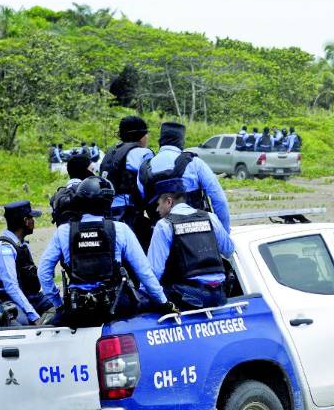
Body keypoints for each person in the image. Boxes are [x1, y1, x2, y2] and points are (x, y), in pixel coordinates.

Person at [38, 177, 168, 326]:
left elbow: (43, 273)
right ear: (108, 202)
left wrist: (59, 304)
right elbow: (144, 272)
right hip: (116, 307)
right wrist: (164, 302)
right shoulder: (120, 229)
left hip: (77, 310)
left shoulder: (63, 232)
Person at [147, 179, 235, 310]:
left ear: (169, 202)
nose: (157, 208)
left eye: (158, 203)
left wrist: (142, 294)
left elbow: (154, 272)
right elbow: (228, 250)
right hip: (219, 295)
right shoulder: (210, 217)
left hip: (187, 298)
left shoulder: (164, 225)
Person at [138, 121, 232, 232]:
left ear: (161, 141)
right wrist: (224, 231)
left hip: (160, 231)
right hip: (195, 232)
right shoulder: (195, 163)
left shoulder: (144, 167)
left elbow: (141, 201)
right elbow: (219, 199)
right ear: (181, 141)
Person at [0, 200, 49, 326]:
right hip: (5, 301)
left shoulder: (22, 245)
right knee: (24, 323)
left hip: (28, 296)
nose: (33, 222)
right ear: (25, 221)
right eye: (31, 218)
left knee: (60, 309)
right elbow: (11, 287)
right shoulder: (3, 250)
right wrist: (35, 317)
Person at [101, 115, 155, 247]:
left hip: (106, 211)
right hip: (128, 213)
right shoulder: (142, 153)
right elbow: (150, 185)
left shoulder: (110, 152)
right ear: (141, 135)